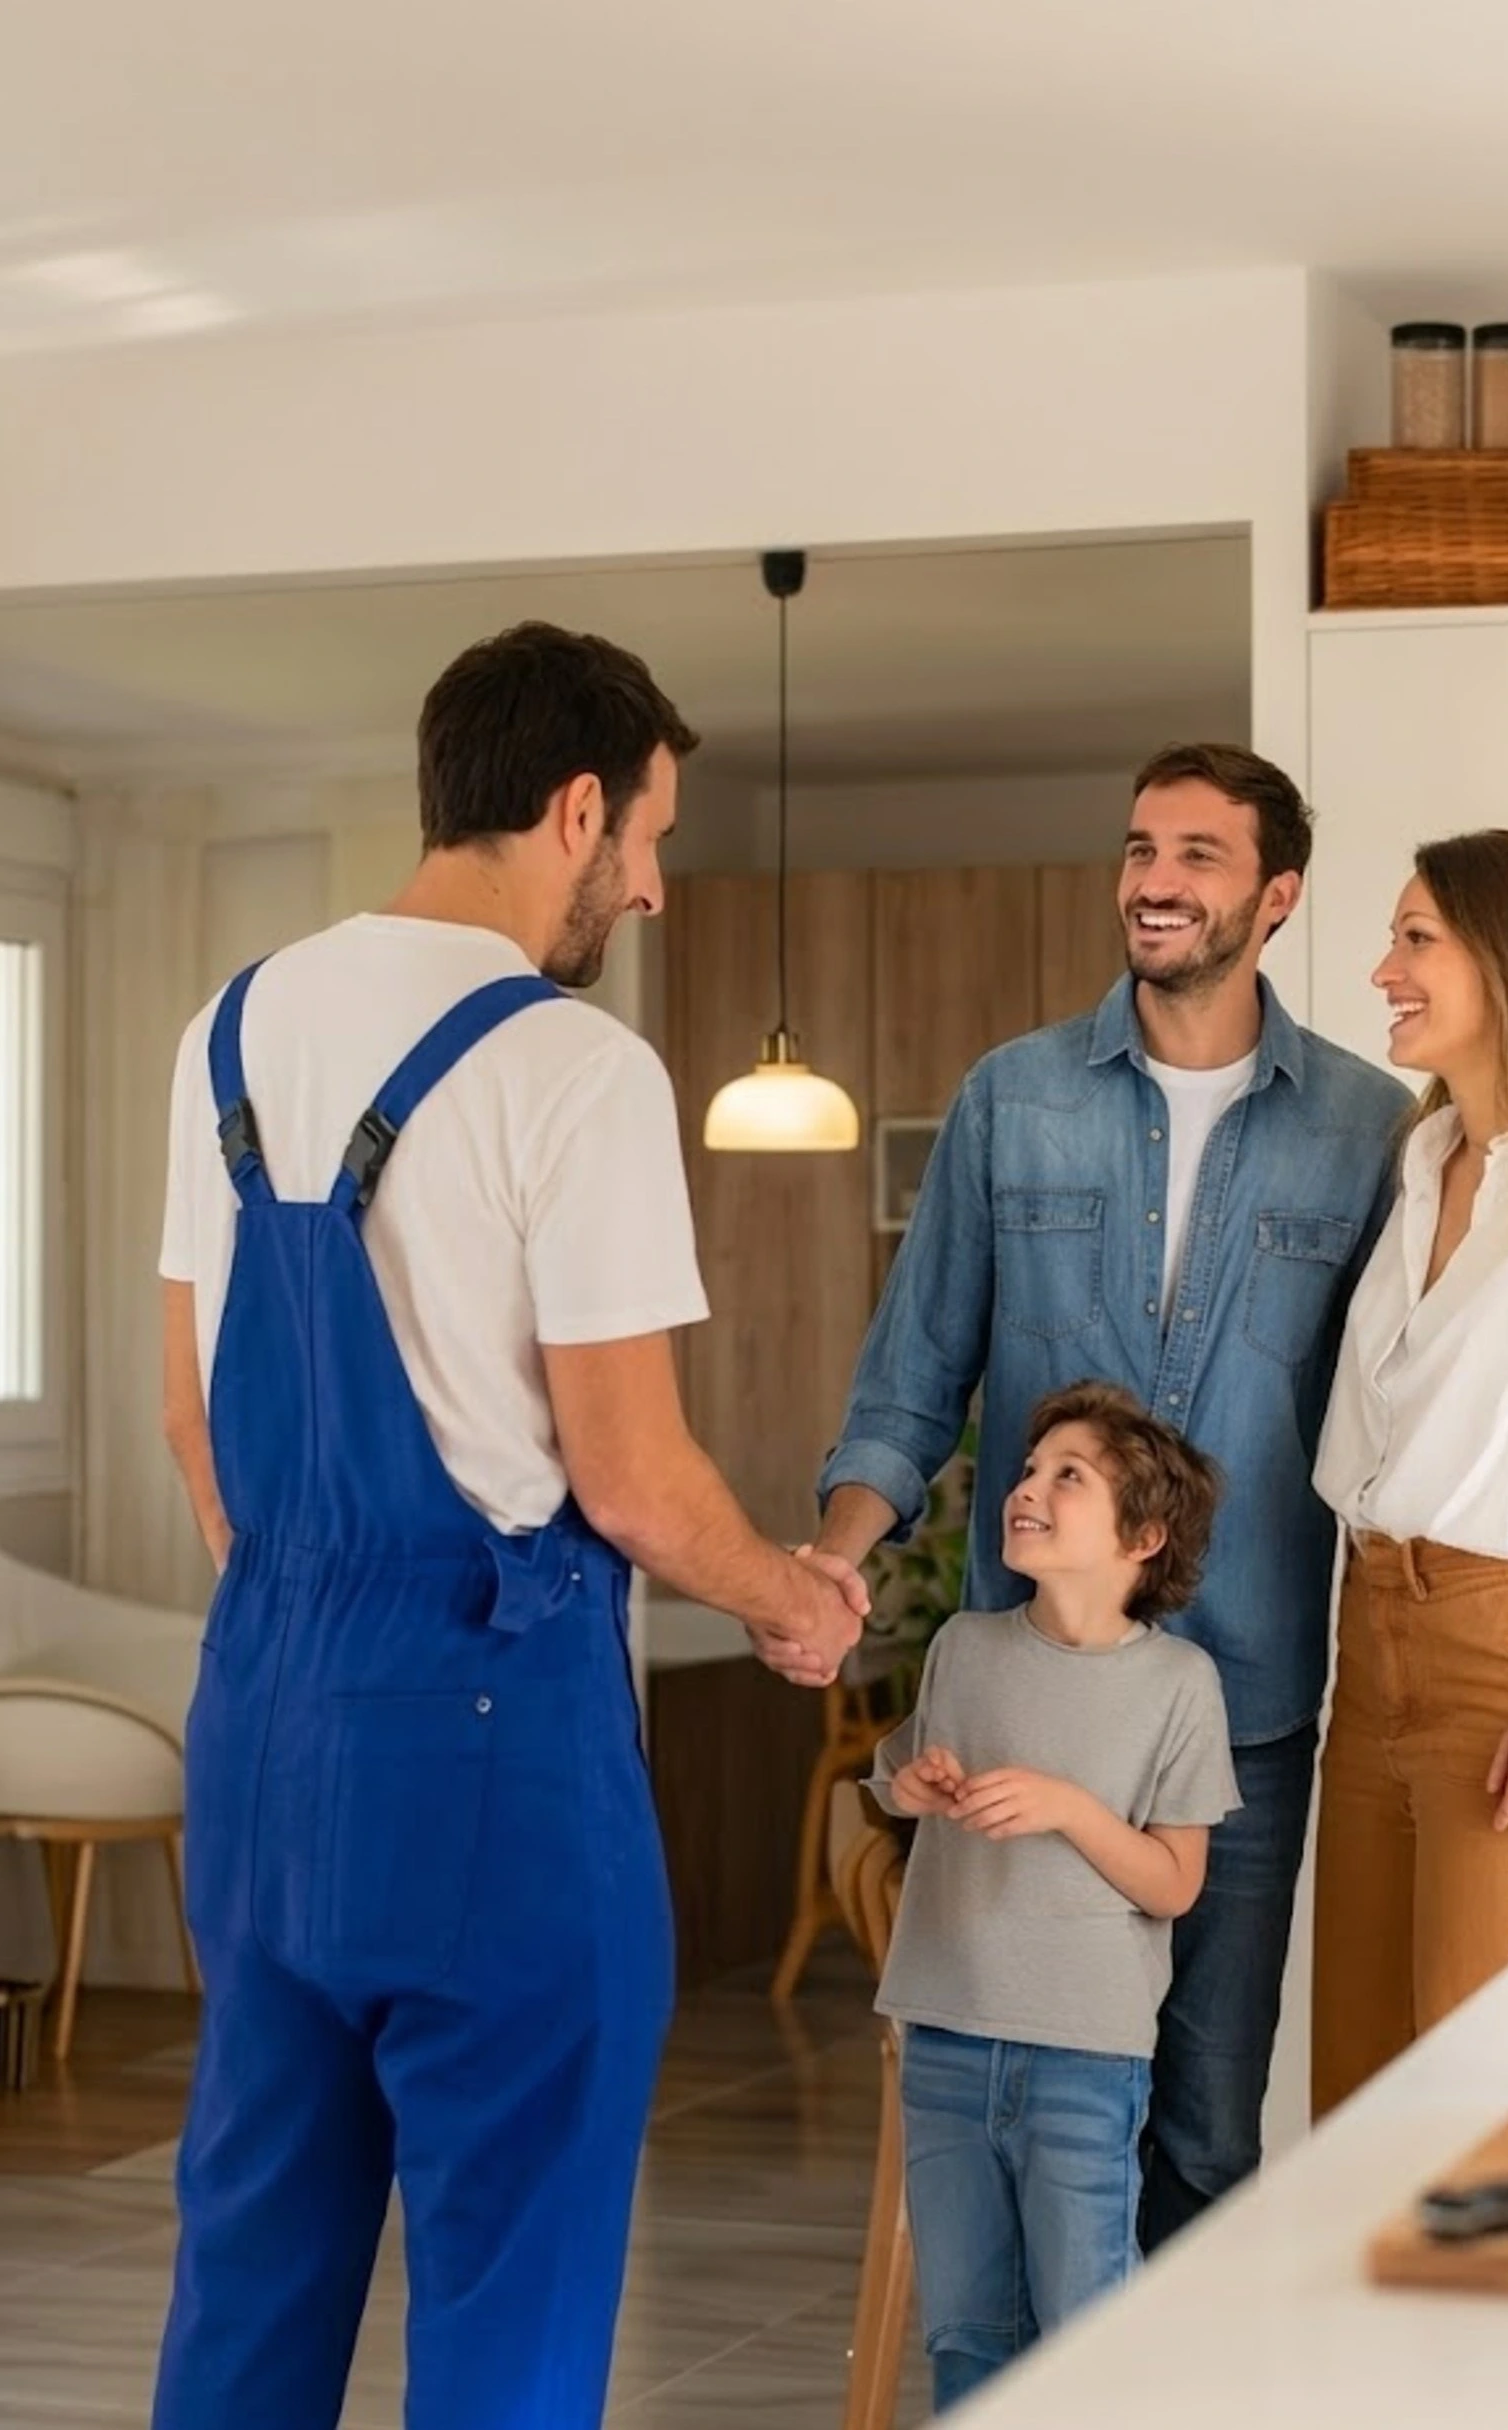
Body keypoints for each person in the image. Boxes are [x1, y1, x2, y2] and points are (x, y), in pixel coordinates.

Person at [151, 621, 866, 2430]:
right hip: (491, 1740)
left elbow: (192, 1419)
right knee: (512, 2290)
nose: (650, 886)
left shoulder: (225, 1030)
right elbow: (628, 1477)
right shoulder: (573, 1069)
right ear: (574, 808)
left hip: (261, 1721)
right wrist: (793, 1600)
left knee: (249, 2262)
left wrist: (318, 1631)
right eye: (651, 840)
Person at [817, 742, 1409, 2247]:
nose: (1154, 879)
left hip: (1249, 1694)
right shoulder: (1010, 1100)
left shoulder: (1371, 1129)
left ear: (1275, 894)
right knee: (1032, 2106)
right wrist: (832, 1561)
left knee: (1207, 2119)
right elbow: (912, 1375)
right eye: (1141, 847)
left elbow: (1401, 1410)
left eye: (1199, 854)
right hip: (1030, 1692)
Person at [870, 1383, 1237, 2411]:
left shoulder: (1180, 1686)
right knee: (965, 2339)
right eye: (1028, 1471)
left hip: (1086, 2060)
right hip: (944, 2043)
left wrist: (1069, 1808)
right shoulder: (964, 1649)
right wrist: (907, 1787)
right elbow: (894, 1771)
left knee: (1087, 2346)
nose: (1027, 1489)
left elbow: (1174, 1881)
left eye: (1066, 1476)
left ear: (1145, 1536)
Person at [1312, 829, 1508, 2117]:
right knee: (1362, 2096)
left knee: (1496, 2111)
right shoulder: (1421, 1166)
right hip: (1368, 1636)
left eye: (1416, 937)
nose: (1384, 969)